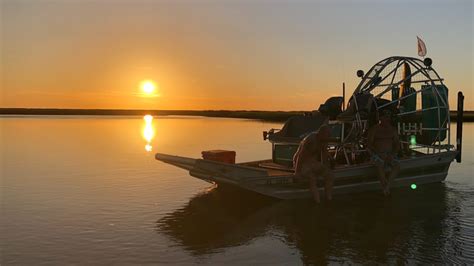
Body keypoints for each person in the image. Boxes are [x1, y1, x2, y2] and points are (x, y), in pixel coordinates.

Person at [293, 125, 334, 203]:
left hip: (312, 162)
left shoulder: (324, 140)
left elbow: (324, 155)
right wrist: (297, 172)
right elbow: (300, 156)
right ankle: (317, 202)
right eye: (328, 135)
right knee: (312, 178)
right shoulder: (310, 140)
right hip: (302, 162)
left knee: (330, 175)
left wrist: (327, 166)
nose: (329, 137)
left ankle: (329, 199)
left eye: (329, 135)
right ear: (321, 133)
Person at [367, 110, 401, 195]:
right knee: (379, 165)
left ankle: (387, 187)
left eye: (388, 117)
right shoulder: (374, 129)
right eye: (385, 117)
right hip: (377, 154)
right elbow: (369, 144)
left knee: (397, 166)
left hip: (390, 153)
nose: (387, 119)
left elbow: (397, 144)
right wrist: (378, 153)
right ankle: (385, 187)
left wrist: (392, 154)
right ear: (380, 118)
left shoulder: (393, 130)